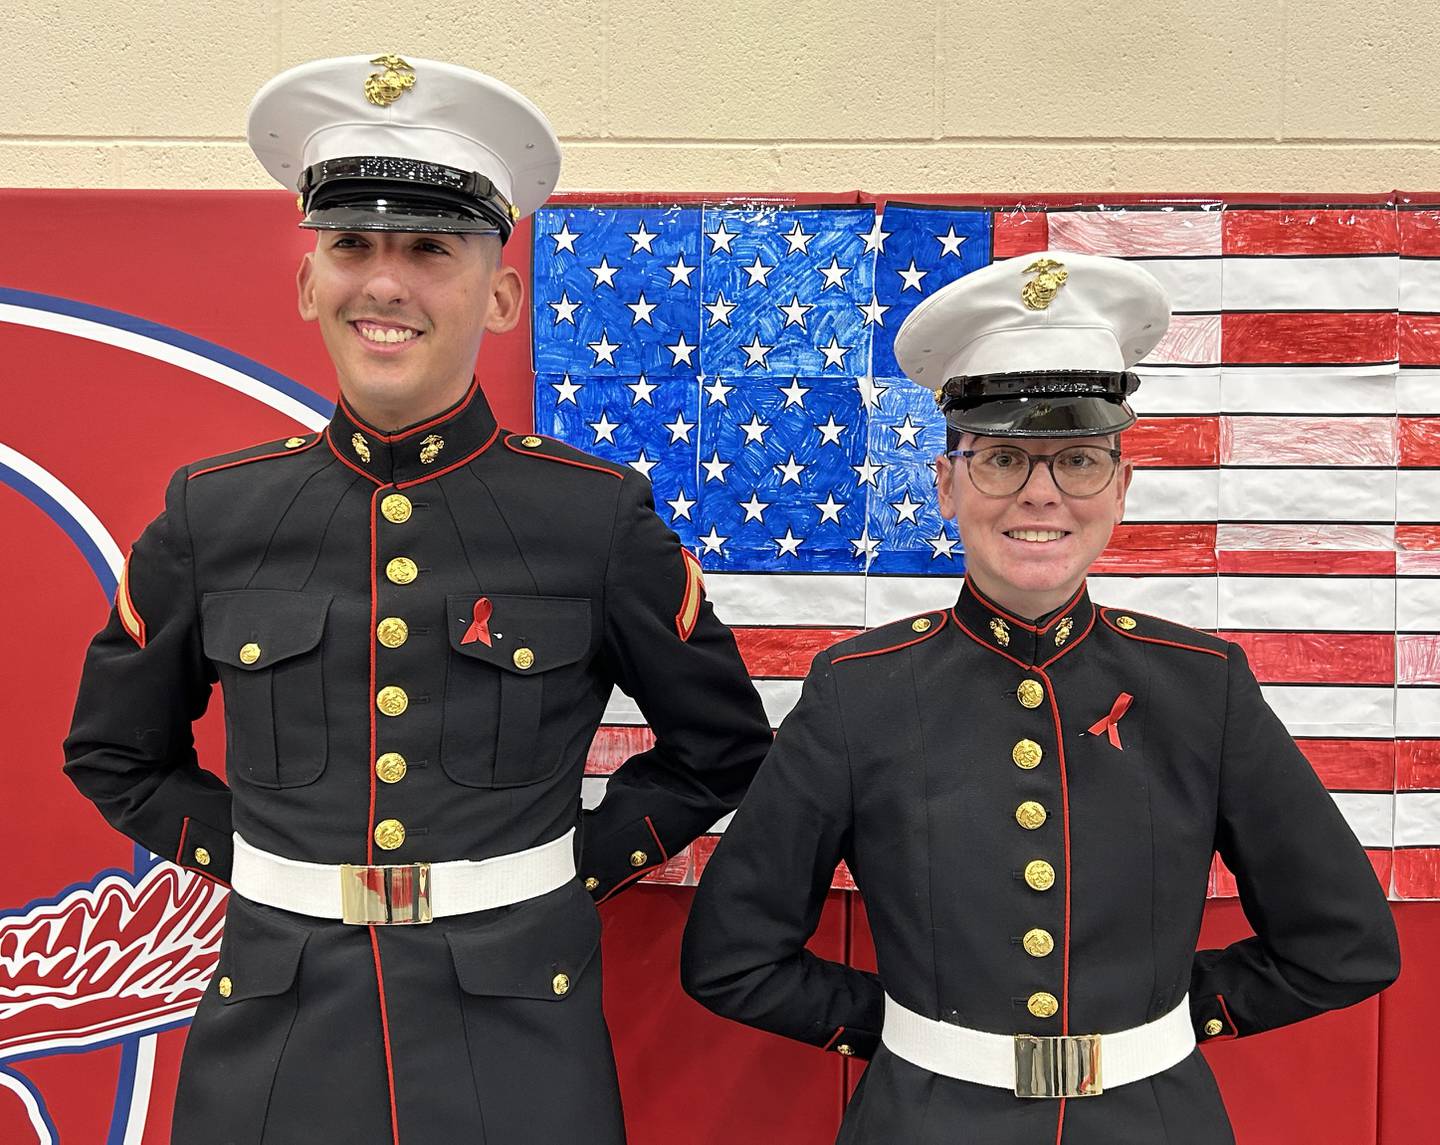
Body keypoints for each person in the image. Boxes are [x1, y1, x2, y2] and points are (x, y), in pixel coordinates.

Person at [63, 54, 772, 1145]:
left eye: (431, 248)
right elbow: (115, 753)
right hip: (276, 1022)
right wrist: (261, 862)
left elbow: (720, 743)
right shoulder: (216, 511)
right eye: (351, 244)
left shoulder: (591, 517)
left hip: (518, 1024)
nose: (384, 283)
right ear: (308, 283)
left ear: (500, 293)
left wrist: (561, 872)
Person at [679, 251, 1400, 1144]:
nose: (1041, 492)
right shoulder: (857, 693)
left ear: (1122, 488)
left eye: (1078, 459)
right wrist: (918, 1036)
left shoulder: (1199, 686)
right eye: (1003, 457)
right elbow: (731, 957)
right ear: (945, 485)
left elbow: (1346, 943)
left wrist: (1164, 1019)